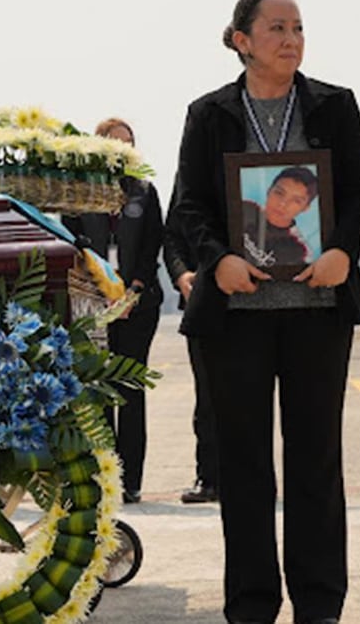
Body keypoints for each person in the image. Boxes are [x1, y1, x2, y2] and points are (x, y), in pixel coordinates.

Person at [169, 0, 360, 624]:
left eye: (298, 28)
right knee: (244, 466)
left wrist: (342, 249)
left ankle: (320, 604)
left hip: (317, 308)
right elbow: (189, 206)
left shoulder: (334, 107)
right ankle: (252, 604)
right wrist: (217, 260)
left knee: (316, 461)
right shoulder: (210, 114)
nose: (291, 40)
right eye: (277, 28)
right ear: (242, 41)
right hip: (235, 318)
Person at [62, 118, 164, 504]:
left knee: (131, 393)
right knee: (99, 393)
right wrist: (100, 298)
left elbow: (153, 246)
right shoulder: (80, 195)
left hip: (137, 305)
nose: (124, 150)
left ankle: (131, 481)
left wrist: (132, 292)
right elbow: (73, 248)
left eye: (129, 143)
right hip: (94, 306)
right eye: (116, 144)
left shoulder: (144, 192)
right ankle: (104, 477)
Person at [164, 179, 219, 504]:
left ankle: (251, 477)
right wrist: (181, 274)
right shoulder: (192, 174)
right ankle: (209, 478)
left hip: (254, 298)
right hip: (202, 301)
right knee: (208, 397)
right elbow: (171, 235)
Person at [241, 166, 319, 268]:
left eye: (296, 200)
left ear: (305, 208)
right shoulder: (244, 208)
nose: (283, 204)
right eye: (279, 193)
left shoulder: (301, 252)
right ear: (269, 191)